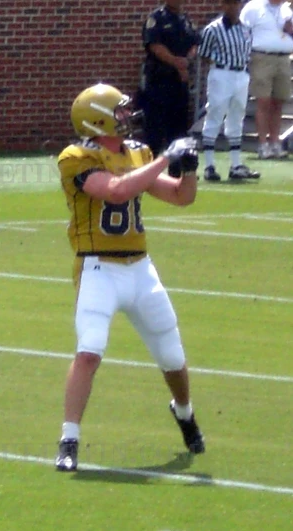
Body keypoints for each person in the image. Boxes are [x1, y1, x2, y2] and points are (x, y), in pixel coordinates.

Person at [55, 83, 205, 471]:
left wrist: (187, 167)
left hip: (140, 269)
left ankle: (184, 412)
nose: (127, 116)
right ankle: (68, 440)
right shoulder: (75, 158)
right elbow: (117, 191)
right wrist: (164, 158)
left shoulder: (137, 152)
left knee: (172, 356)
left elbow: (180, 197)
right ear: (97, 119)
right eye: (119, 111)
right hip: (98, 268)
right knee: (89, 350)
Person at [199, 0, 261, 181]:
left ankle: (236, 164)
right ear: (222, 6)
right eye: (229, 4)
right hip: (221, 72)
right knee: (215, 113)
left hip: (240, 73)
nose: (233, 7)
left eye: (235, 3)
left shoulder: (245, 27)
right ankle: (209, 165)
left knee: (237, 115)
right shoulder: (213, 29)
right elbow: (204, 54)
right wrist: (218, 69)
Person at [140, 0, 200, 175]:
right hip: (158, 83)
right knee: (154, 131)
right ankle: (146, 173)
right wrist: (177, 63)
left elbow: (195, 43)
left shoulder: (186, 21)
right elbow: (154, 45)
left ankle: (176, 172)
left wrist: (187, 60)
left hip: (179, 85)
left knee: (178, 131)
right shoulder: (156, 18)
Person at [240, 0, 293, 159]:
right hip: (261, 57)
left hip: (283, 59)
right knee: (263, 101)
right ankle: (263, 145)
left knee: (278, 102)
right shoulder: (254, 7)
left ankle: (275, 144)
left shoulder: (287, 9)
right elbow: (243, 30)